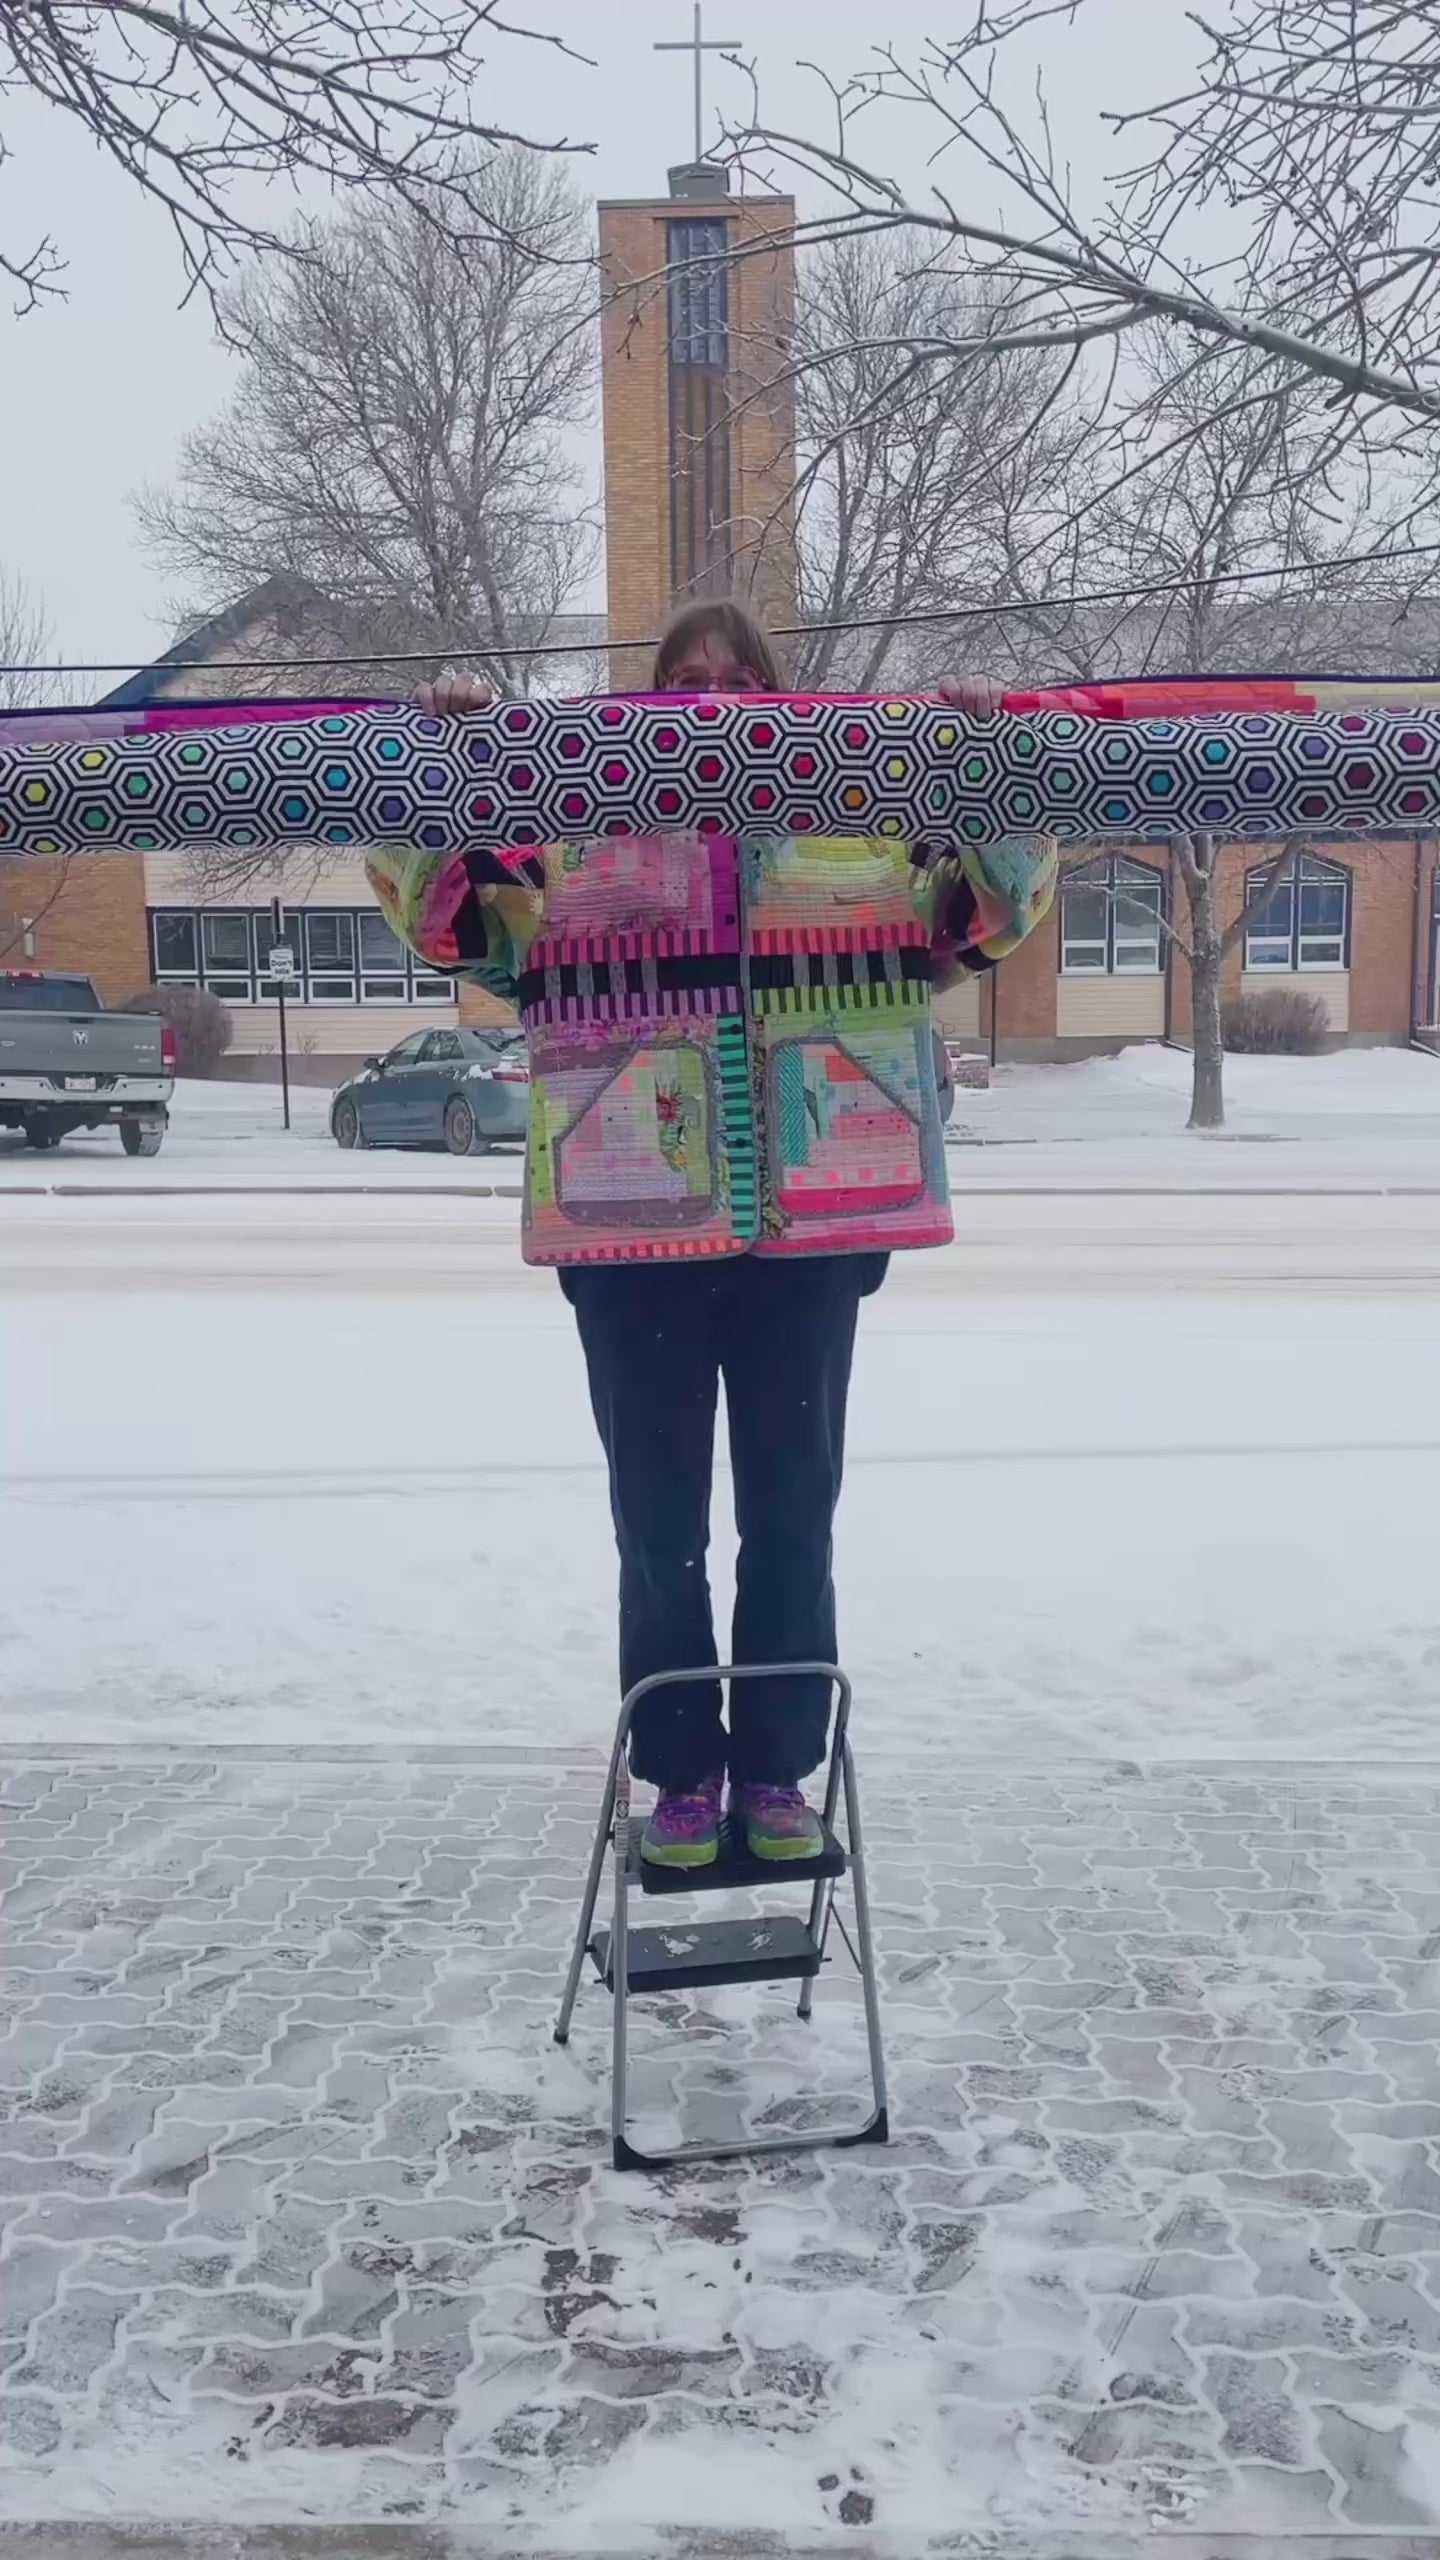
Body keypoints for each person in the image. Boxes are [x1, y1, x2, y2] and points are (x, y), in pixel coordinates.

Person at [393, 600, 1042, 1870]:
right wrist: (458, 753)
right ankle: (683, 1771)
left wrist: (982, 751)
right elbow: (452, 923)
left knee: (796, 1513)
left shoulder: (860, 822)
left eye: (737, 677)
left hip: (811, 1232)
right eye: (685, 675)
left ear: (776, 692)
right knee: (658, 1525)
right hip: (633, 1236)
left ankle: (777, 1771)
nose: (710, 699)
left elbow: (981, 912)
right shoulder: (578, 829)